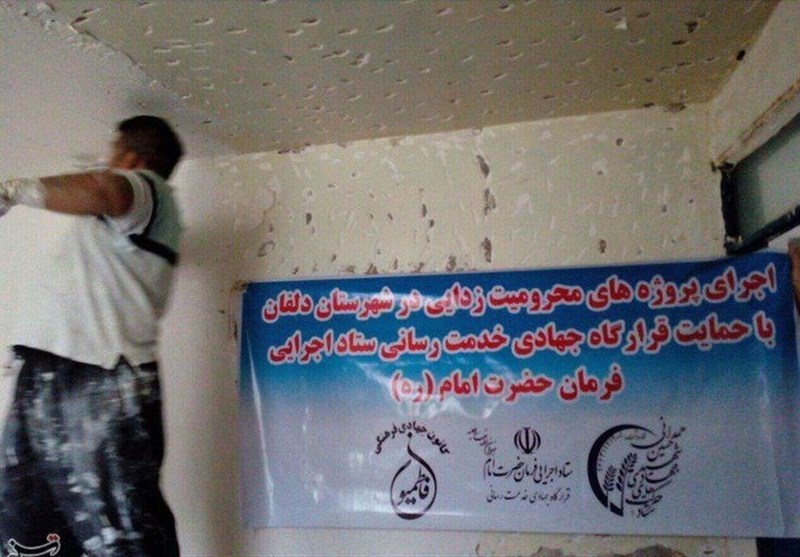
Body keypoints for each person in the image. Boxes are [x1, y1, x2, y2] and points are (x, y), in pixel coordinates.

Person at [0, 116, 183, 556]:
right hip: (50, 371)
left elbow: (106, 189)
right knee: (27, 521)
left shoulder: (147, 190)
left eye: (112, 150)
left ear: (131, 157)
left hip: (98, 375)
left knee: (120, 528)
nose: (107, 159)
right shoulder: (121, 226)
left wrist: (11, 191)